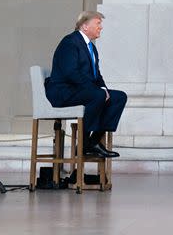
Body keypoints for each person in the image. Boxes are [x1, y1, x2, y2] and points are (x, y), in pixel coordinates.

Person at [45, 11, 127, 158]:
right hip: (63, 92)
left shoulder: (91, 47)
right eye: (98, 23)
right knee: (98, 95)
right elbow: (71, 73)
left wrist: (104, 89)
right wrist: (98, 91)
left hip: (80, 90)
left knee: (119, 97)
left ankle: (93, 141)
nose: (101, 27)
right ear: (84, 26)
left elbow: (97, 75)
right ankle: (83, 144)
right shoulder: (70, 42)